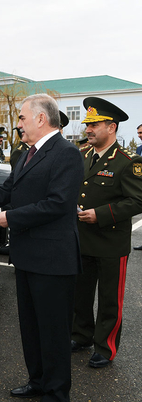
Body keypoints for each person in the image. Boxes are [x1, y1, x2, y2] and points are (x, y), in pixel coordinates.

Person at [0, 94, 84, 402]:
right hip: (27, 256)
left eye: (23, 118)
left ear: (41, 119)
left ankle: (56, 397)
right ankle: (38, 381)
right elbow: (5, 192)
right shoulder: (27, 154)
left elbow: (57, 204)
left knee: (53, 331)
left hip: (53, 259)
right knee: (32, 327)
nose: (19, 124)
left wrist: (12, 218)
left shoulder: (67, 154)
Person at [71, 98, 142, 366]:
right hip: (83, 239)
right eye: (87, 124)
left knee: (110, 300)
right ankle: (81, 336)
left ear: (111, 127)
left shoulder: (128, 162)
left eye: (94, 124)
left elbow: (137, 201)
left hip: (111, 242)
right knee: (81, 294)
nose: (88, 129)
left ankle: (105, 347)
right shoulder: (83, 156)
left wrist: (99, 215)